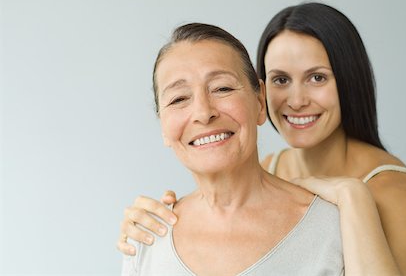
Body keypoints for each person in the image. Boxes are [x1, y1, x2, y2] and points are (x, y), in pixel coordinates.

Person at [118, 3, 406, 275]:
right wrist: (143, 232)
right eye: (281, 79)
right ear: (263, 92)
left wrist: (351, 194)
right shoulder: (272, 167)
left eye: (317, 77)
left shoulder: (387, 190)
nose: (296, 100)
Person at [122, 22, 347, 275]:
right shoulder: (146, 237)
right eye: (179, 99)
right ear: (163, 125)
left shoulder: (333, 228)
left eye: (222, 88)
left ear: (260, 101)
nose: (204, 113)